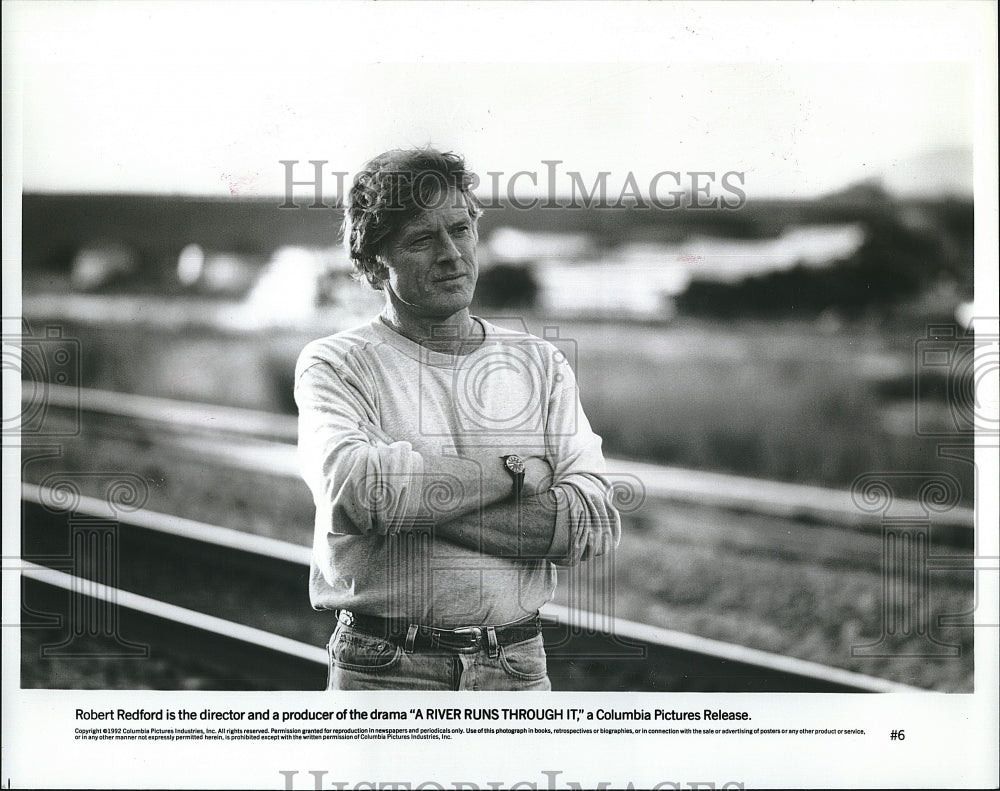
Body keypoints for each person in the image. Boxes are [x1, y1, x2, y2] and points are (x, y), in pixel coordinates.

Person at [294, 148, 620, 691]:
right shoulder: (336, 363)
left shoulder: (540, 363)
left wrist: (407, 502)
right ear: (375, 265)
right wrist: (517, 475)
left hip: (517, 668)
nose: (452, 254)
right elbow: (359, 490)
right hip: (386, 669)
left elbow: (589, 522)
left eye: (461, 229)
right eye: (422, 240)